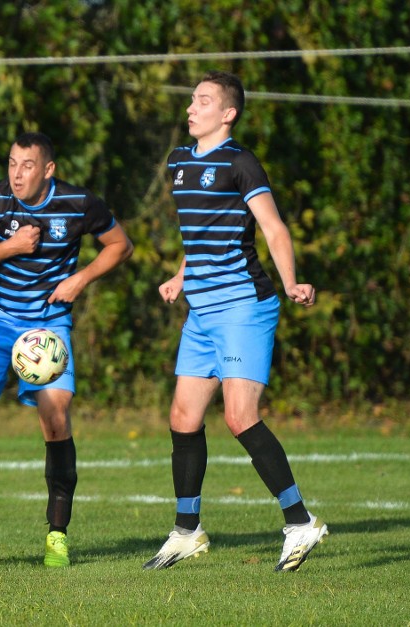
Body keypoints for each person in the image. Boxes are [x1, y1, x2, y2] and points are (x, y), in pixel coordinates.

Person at [143, 71, 328, 572]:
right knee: (182, 418)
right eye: (191, 100)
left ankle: (300, 522)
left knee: (240, 417)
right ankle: (187, 532)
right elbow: (203, 235)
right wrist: (181, 276)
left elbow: (272, 227)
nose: (191, 107)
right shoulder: (180, 162)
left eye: (203, 101)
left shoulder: (240, 162)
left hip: (244, 306)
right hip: (201, 309)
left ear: (228, 113)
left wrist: (291, 282)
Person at [0, 132, 133, 567]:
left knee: (55, 415)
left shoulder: (79, 202)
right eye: (11, 163)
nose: (16, 173)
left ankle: (57, 535)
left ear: (48, 170)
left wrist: (79, 280)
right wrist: (9, 247)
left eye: (27, 165)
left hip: (46, 324)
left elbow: (121, 245)